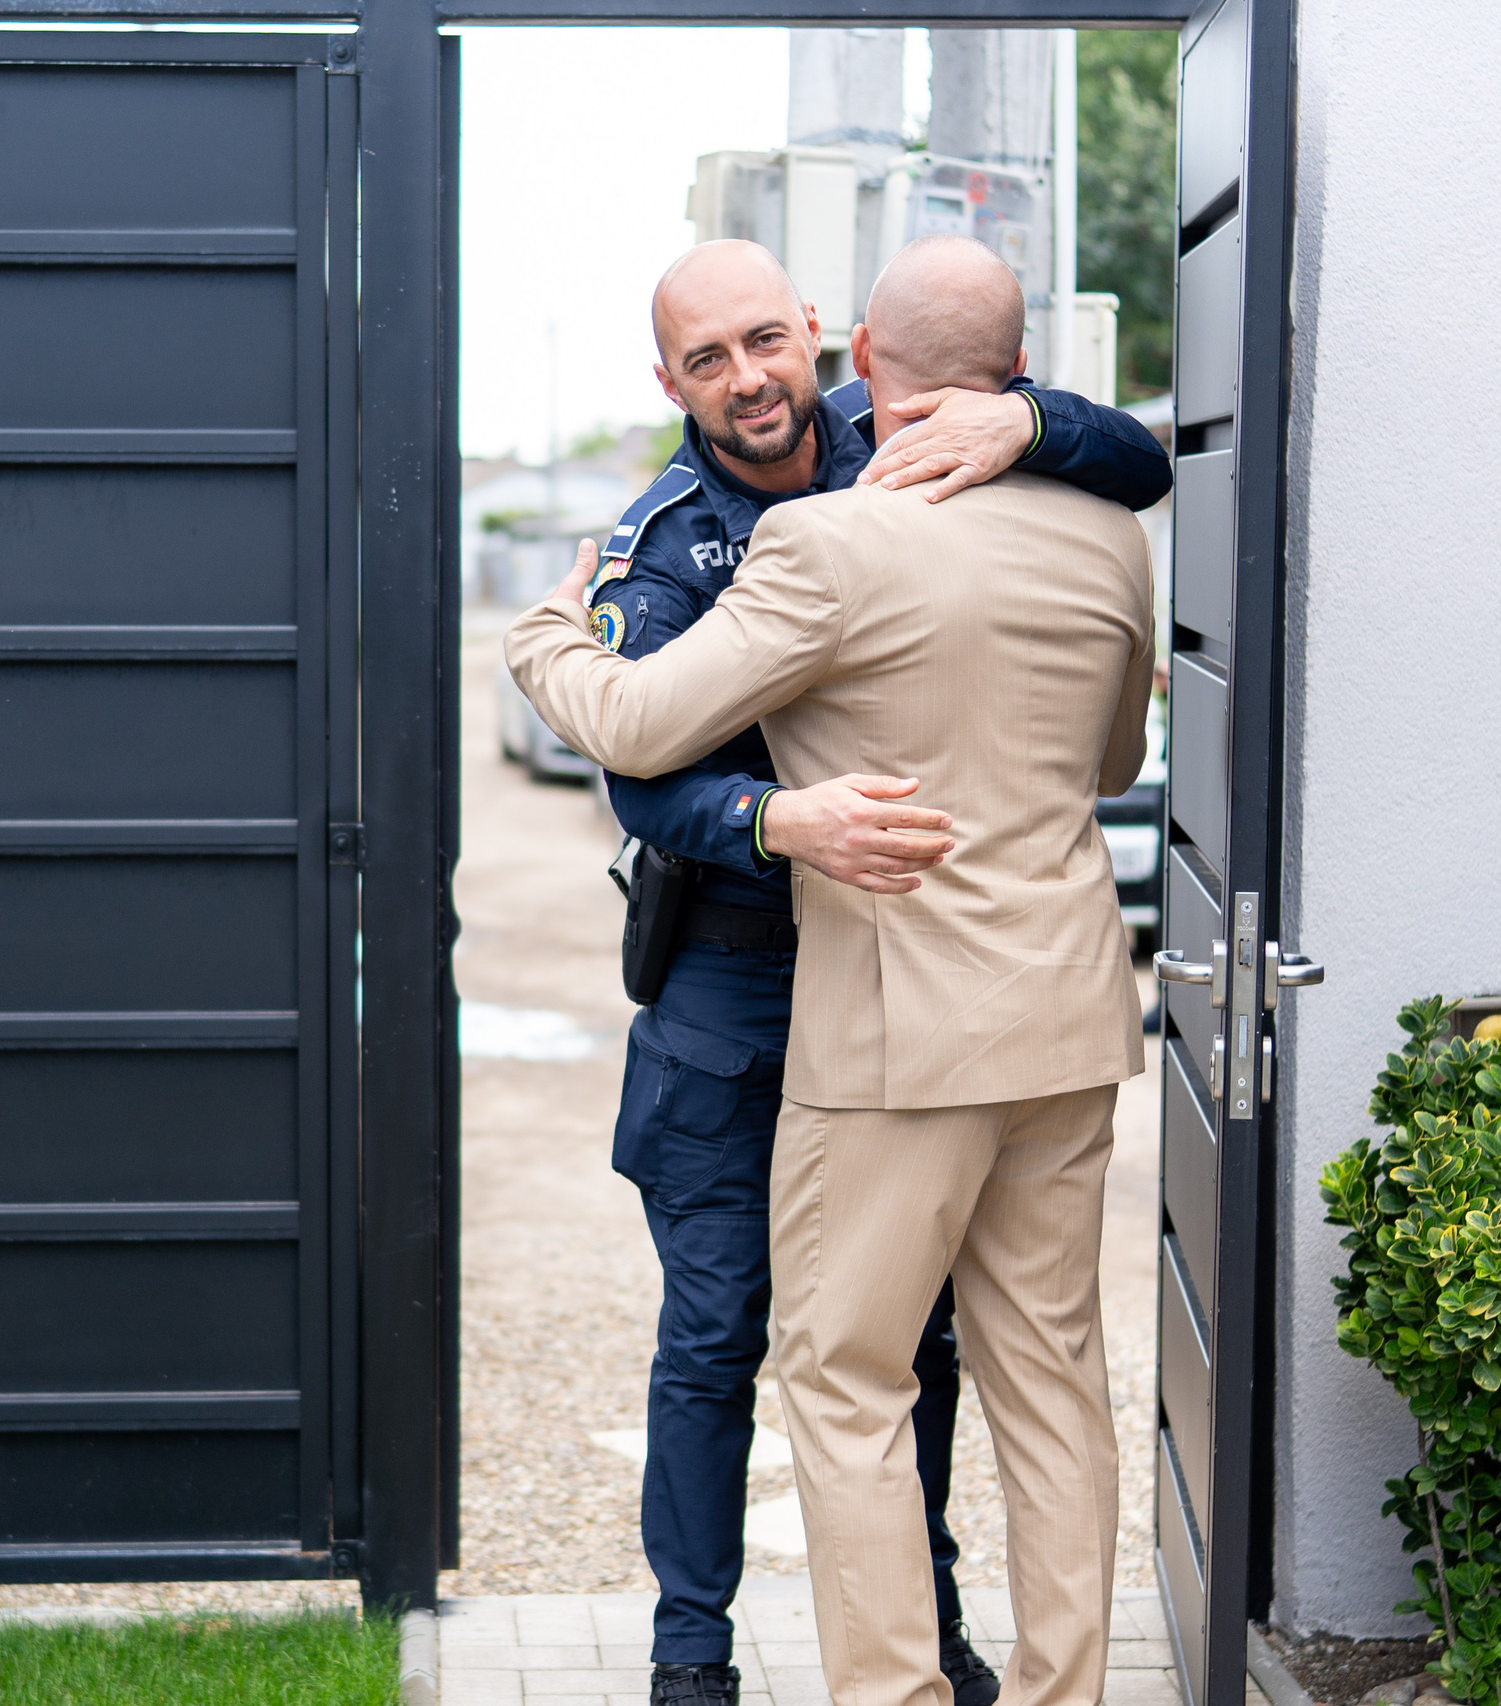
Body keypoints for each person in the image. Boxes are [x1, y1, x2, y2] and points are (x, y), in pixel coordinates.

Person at [508, 234, 1155, 1706]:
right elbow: (1112, 759)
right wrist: (776, 818)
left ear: (843, 343)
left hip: (897, 1024)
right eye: (708, 358)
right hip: (1054, 1015)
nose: (748, 378)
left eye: (767, 343)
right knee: (1050, 1385)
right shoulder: (1105, 533)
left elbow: (639, 720)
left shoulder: (830, 533)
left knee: (847, 1377)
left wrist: (548, 637)